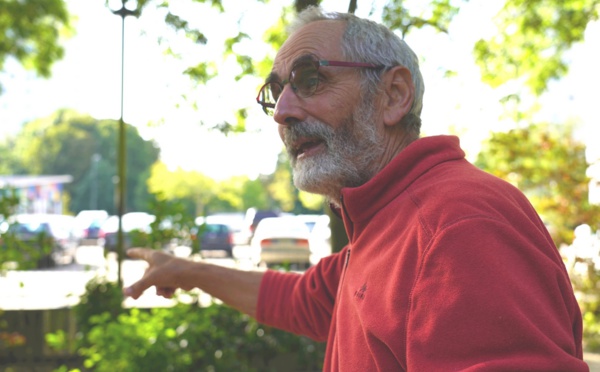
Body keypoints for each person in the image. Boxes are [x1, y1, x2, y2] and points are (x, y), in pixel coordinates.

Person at [123, 6, 588, 371]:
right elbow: (304, 301)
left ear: (393, 96)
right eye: (276, 92)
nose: (283, 110)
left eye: (310, 79)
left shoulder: (455, 223)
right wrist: (185, 271)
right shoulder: (384, 219)